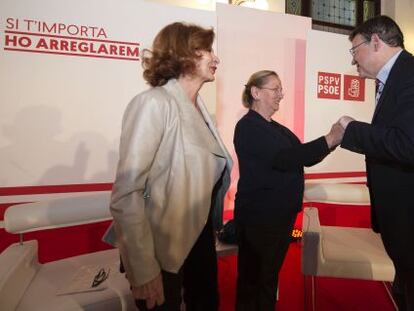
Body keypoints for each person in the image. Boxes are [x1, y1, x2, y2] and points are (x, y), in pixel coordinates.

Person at [106, 22, 232, 311]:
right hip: (160, 250)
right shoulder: (154, 103)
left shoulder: (199, 109)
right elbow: (128, 193)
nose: (216, 59)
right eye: (207, 50)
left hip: (198, 242)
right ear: (183, 54)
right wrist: (142, 267)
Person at [233, 70, 344, 311]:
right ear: (256, 92)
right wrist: (329, 139)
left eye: (281, 89)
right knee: (254, 282)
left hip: (279, 217)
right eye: (276, 89)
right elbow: (285, 158)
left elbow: (303, 156)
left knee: (268, 278)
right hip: (259, 219)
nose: (281, 95)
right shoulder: (249, 126)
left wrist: (331, 142)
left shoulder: (275, 128)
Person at [339, 15, 414, 311]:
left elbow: (407, 144)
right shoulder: (397, 78)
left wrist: (352, 128)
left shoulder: (409, 76)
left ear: (375, 42)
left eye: (354, 50)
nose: (353, 60)